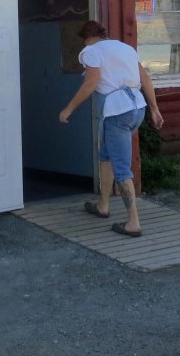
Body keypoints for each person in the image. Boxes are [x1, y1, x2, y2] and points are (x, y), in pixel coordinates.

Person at [59, 20, 163, 237]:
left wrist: (68, 109)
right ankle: (103, 205)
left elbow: (90, 83)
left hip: (117, 113)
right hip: (137, 109)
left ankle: (133, 222)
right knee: (107, 156)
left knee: (122, 167)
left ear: (87, 38)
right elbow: (145, 79)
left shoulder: (91, 51)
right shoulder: (125, 48)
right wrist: (154, 109)